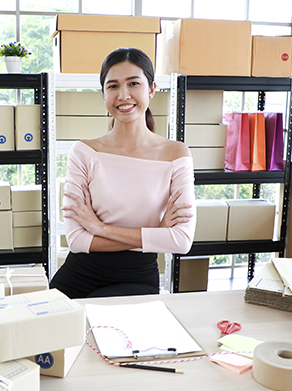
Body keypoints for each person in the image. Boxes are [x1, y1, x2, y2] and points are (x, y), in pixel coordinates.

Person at [49, 47, 196, 299]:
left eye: (134, 83)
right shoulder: (84, 152)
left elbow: (181, 241)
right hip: (78, 273)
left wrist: (99, 228)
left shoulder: (176, 155)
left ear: (151, 89)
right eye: (113, 86)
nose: (123, 95)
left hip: (137, 277)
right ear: (103, 94)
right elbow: (76, 240)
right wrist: (155, 234)